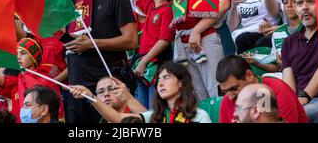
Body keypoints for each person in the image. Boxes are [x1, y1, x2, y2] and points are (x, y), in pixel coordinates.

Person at [63, 0, 137, 123]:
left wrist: (91, 43)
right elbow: (67, 37)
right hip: (77, 85)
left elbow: (132, 40)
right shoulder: (73, 1)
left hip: (107, 85)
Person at [114, 0, 174, 109]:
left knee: (154, 110)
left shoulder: (167, 10)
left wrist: (144, 61)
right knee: (142, 111)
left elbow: (164, 40)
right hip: (143, 67)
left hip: (156, 66)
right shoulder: (151, 7)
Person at [69, 62, 212, 123]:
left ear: (181, 82)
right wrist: (90, 96)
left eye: (166, 77)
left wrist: (128, 97)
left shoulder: (199, 116)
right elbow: (118, 118)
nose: (160, 83)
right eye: (159, 79)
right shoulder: (156, 117)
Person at [0, 37, 63, 123]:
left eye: (23, 53)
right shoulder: (16, 81)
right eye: (17, 54)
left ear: (34, 58)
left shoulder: (45, 82)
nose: (18, 57)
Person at [216, 55, 308, 123]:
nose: (230, 96)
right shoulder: (227, 100)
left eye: (234, 88)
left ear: (249, 75)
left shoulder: (277, 90)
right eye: (224, 92)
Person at [243, 0, 303, 73]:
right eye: (285, 2)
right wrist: (256, 63)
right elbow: (276, 67)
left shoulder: (308, 28)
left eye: (294, 1)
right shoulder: (277, 33)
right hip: (284, 77)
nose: (289, 5)